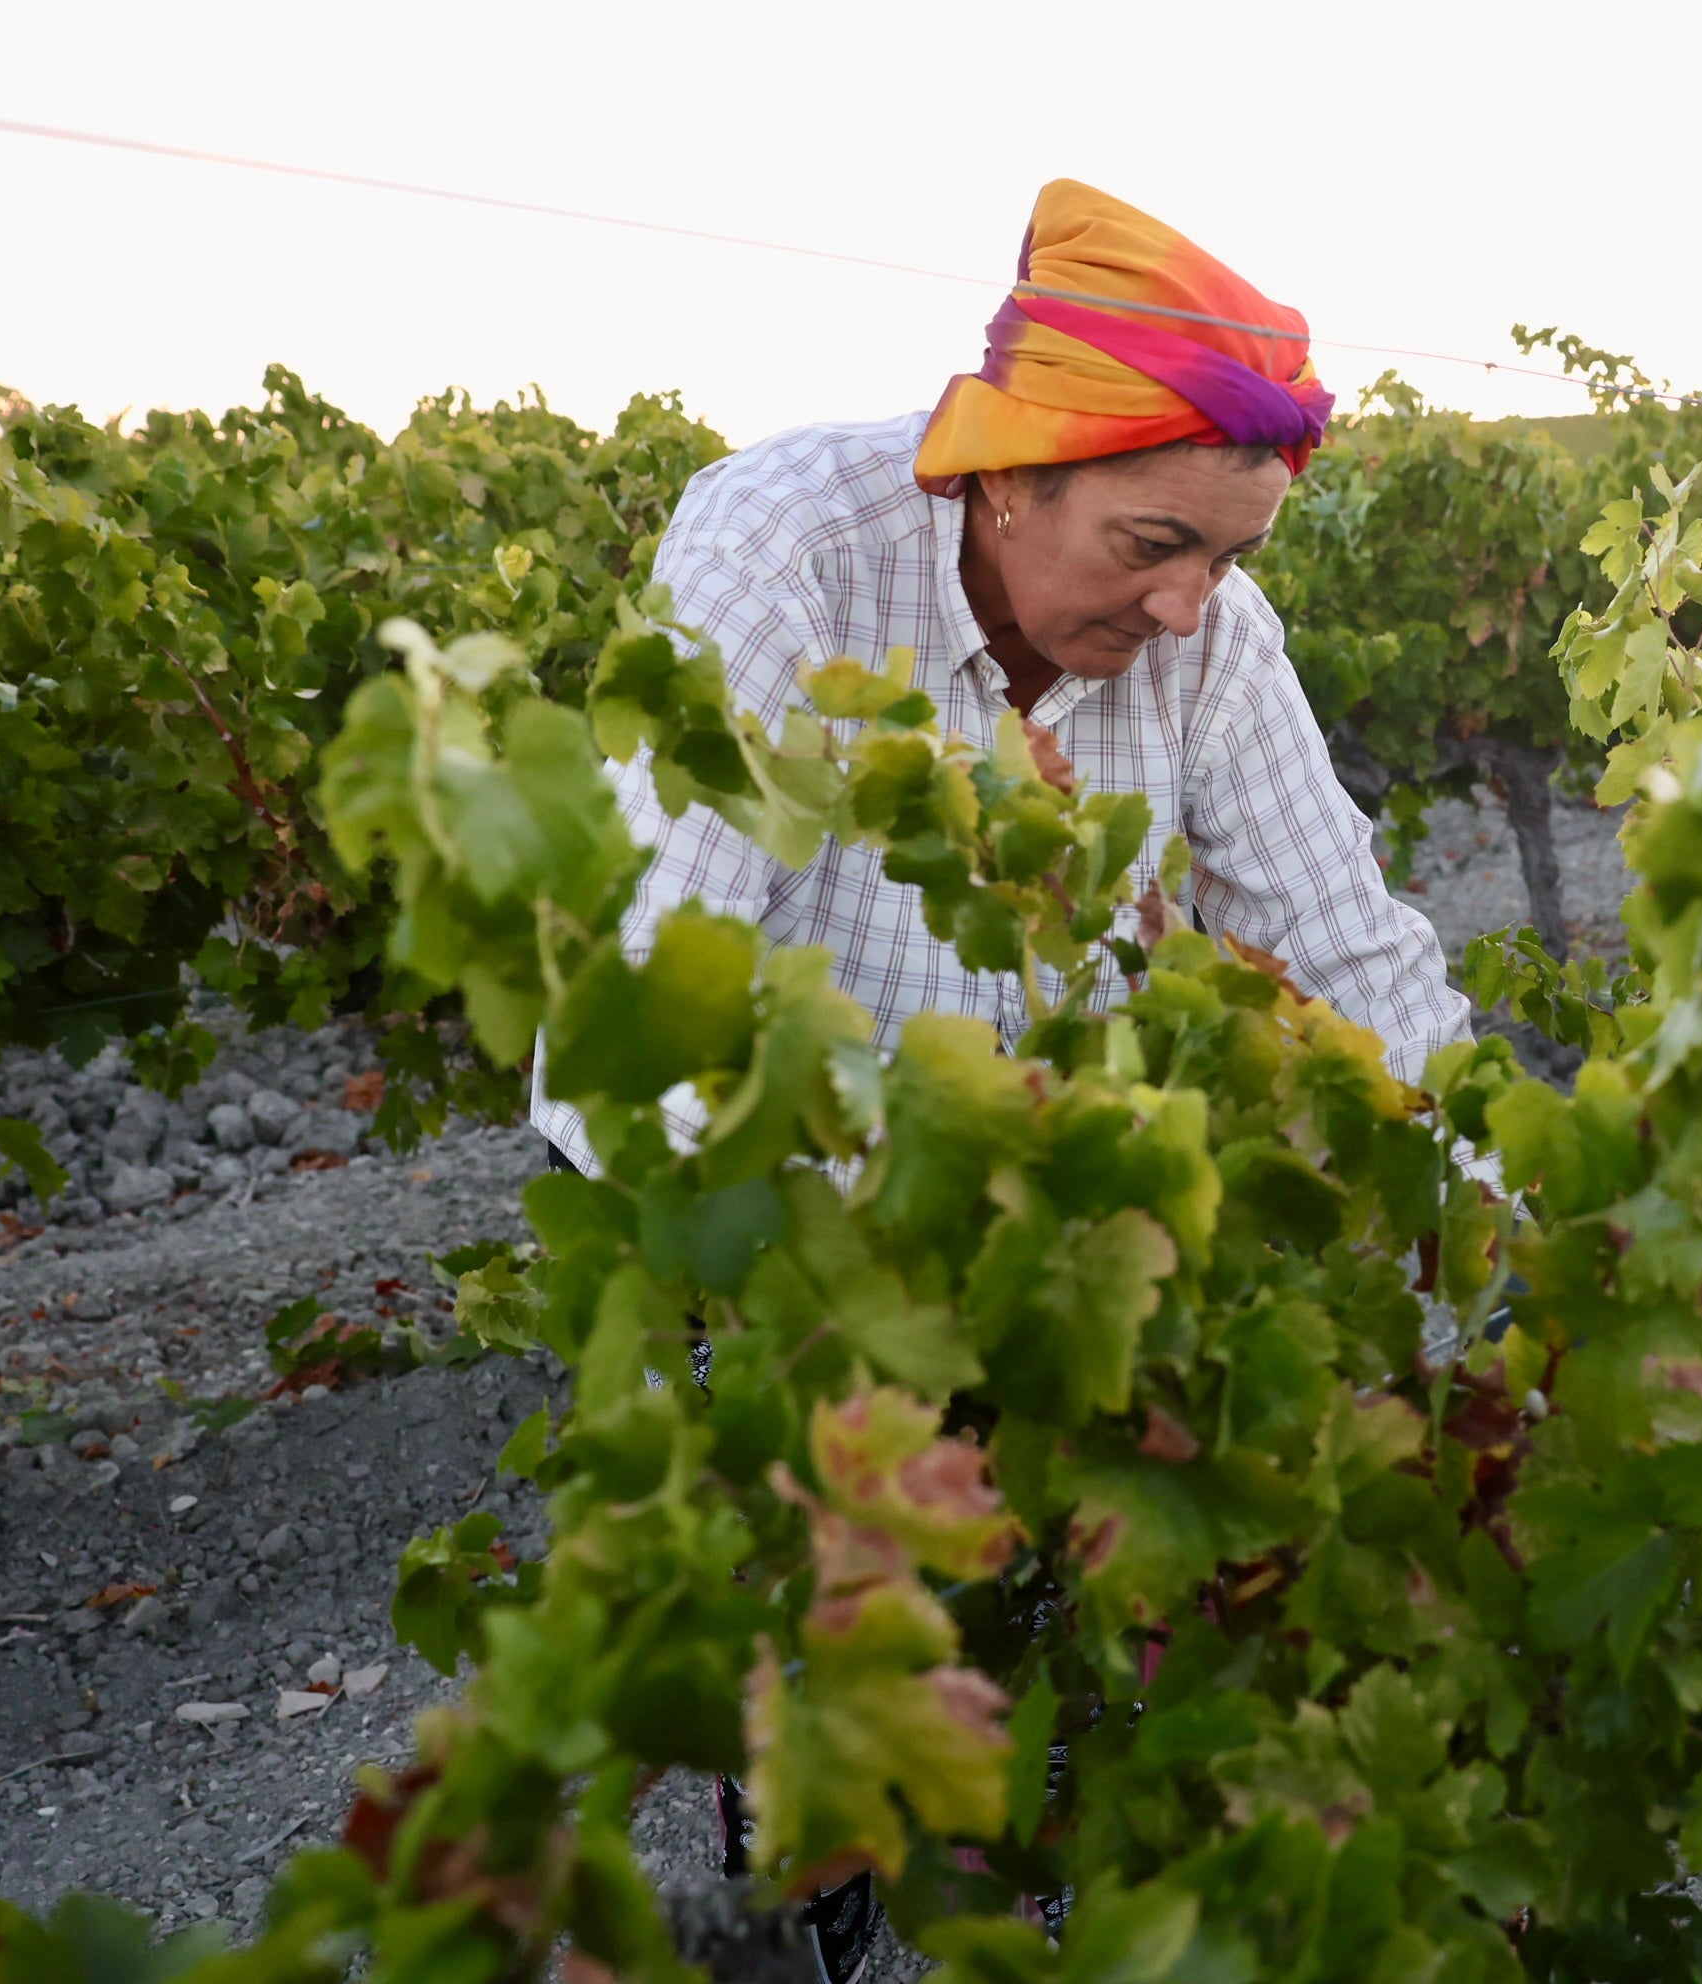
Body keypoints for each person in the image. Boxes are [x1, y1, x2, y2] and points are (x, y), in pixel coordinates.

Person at [530, 180, 1472, 1979]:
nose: (1193, 606)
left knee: (1055, 1719)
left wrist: (1528, 1223)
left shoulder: (1209, 649)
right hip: (780, 1249)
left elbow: (1353, 962)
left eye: (1233, 555)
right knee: (823, 1761)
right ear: (1009, 473)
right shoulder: (786, 560)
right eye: (1153, 542)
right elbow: (640, 1025)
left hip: (1047, 1260)